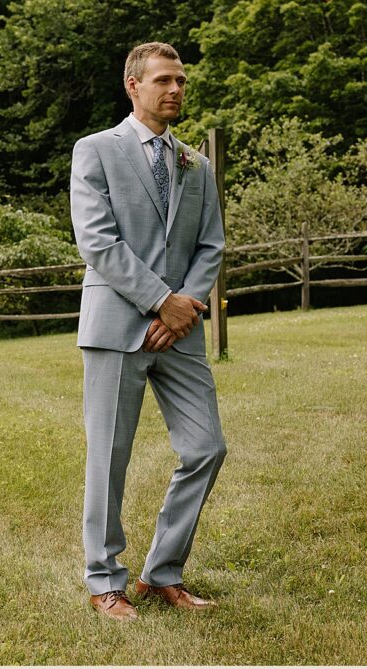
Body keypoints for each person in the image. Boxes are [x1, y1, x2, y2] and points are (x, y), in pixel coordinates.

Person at [70, 42, 227, 621]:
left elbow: (211, 244)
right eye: (164, 80)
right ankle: (104, 581)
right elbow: (97, 241)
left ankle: (161, 573)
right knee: (109, 457)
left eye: (182, 80)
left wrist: (182, 308)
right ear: (132, 85)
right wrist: (162, 302)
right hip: (118, 326)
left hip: (181, 331)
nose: (176, 89)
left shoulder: (197, 164)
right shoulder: (95, 151)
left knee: (207, 447)